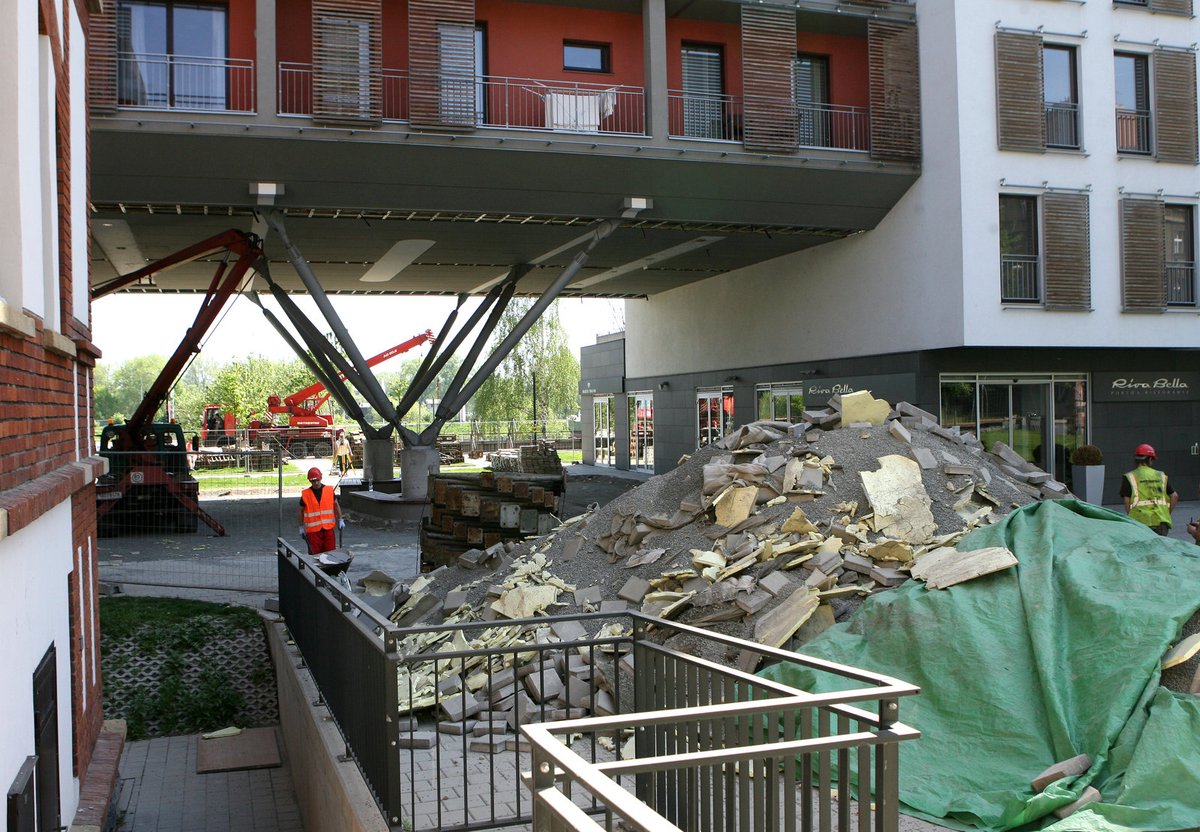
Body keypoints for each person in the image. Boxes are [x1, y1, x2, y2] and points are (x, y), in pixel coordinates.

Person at [1121, 443, 1177, 535]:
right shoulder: (1161, 475)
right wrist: (1167, 513)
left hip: (1139, 521)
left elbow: (1127, 501)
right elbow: (1174, 496)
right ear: (1150, 459)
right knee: (1160, 548)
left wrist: (1131, 515)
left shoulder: (1130, 476)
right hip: (1160, 521)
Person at [298, 467, 344, 555]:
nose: (315, 483)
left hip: (328, 529)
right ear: (310, 481)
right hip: (313, 532)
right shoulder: (306, 494)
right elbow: (300, 511)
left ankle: (330, 569)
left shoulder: (329, 491)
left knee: (331, 555)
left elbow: (336, 505)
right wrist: (301, 526)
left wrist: (340, 519)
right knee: (315, 556)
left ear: (321, 478)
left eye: (317, 480)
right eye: (313, 481)